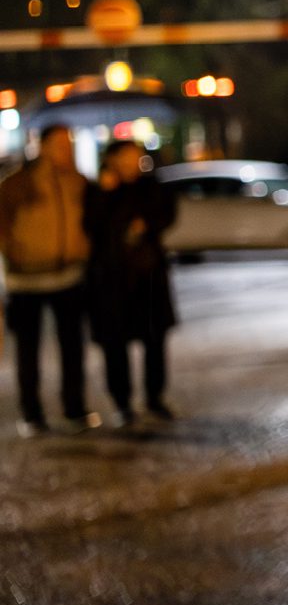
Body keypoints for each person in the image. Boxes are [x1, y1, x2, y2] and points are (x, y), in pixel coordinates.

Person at [1, 124, 97, 435]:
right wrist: (15, 250)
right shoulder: (17, 183)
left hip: (68, 276)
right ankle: (32, 414)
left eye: (68, 143)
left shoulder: (78, 182)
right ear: (42, 146)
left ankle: (75, 409)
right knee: (28, 351)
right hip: (26, 280)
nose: (65, 150)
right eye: (58, 144)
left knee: (73, 348)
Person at [85, 138, 178, 424]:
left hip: (148, 276)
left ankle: (154, 396)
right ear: (111, 160)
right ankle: (121, 402)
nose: (133, 163)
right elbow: (91, 226)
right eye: (126, 157)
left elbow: (167, 214)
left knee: (154, 340)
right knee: (115, 344)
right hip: (111, 278)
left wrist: (146, 223)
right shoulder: (98, 190)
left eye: (136, 157)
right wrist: (106, 193)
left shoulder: (151, 186)